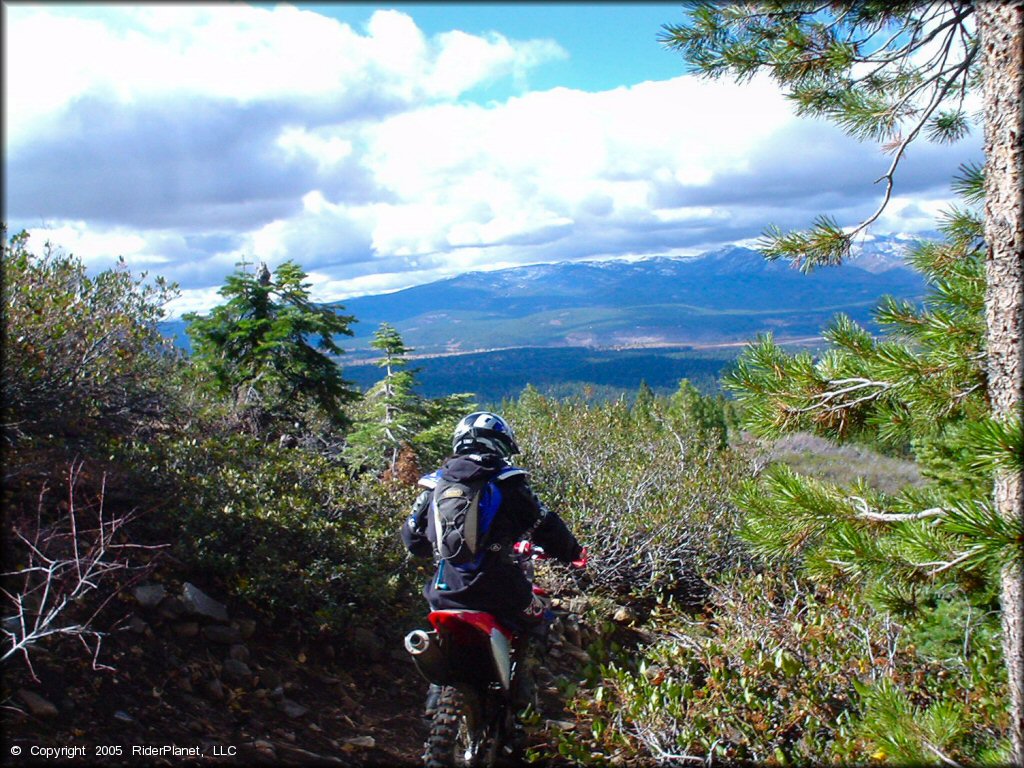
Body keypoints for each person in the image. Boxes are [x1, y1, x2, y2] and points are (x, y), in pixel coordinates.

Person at [401, 411, 586, 633]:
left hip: (443, 591)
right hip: (499, 588)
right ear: (496, 443)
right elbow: (545, 524)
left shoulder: (434, 485)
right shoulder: (507, 481)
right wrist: (572, 552)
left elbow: (413, 540)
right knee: (540, 618)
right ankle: (530, 666)